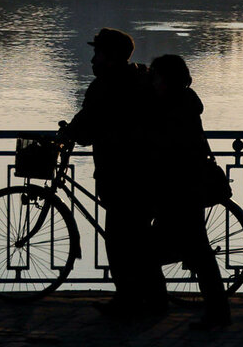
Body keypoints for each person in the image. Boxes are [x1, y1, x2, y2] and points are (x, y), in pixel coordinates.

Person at [64, 28, 166, 318]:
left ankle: (129, 301)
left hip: (122, 175)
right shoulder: (142, 79)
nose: (93, 60)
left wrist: (68, 134)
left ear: (110, 58)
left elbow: (85, 127)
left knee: (120, 242)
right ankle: (153, 300)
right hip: (148, 172)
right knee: (138, 240)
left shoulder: (106, 87)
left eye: (97, 54)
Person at [148, 53, 231, 330]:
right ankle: (216, 312)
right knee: (197, 251)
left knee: (191, 251)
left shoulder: (174, 108)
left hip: (180, 189)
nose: (152, 82)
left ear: (166, 79)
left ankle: (215, 313)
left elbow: (171, 150)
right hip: (186, 187)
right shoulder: (185, 102)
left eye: (156, 76)